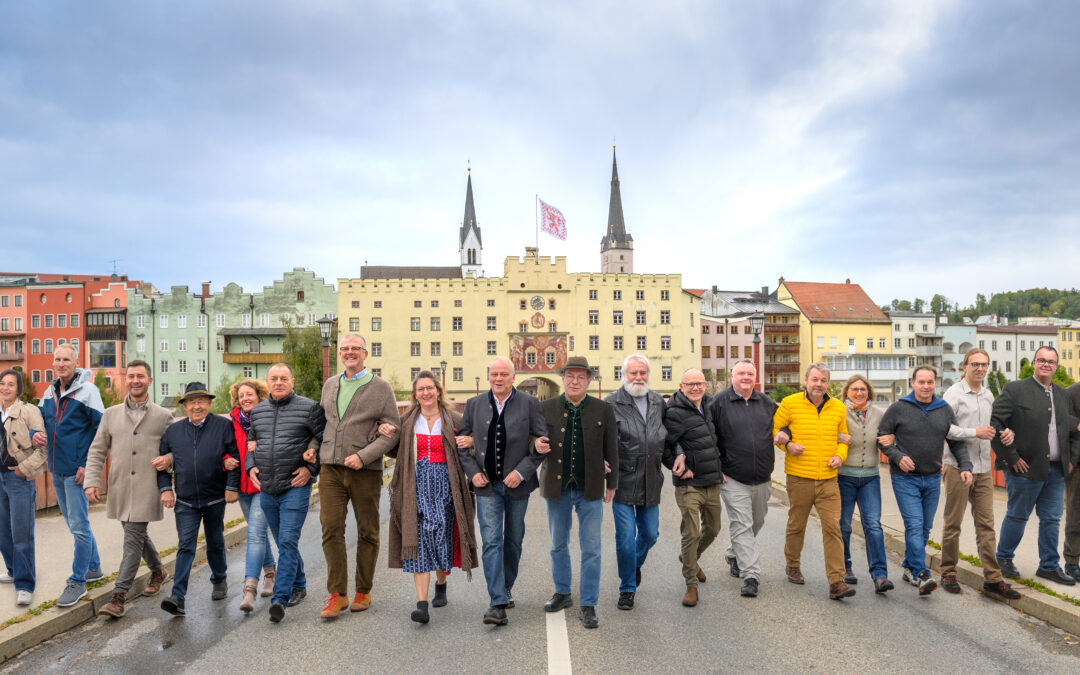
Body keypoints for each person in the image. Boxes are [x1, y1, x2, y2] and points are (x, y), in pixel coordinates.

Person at [455, 356, 547, 626]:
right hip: (487, 487)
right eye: (494, 374)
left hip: (517, 486)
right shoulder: (474, 405)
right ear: (488, 377)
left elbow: (542, 444)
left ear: (513, 377)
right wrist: (474, 473)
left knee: (513, 540)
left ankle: (507, 585)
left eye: (503, 374)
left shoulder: (530, 404)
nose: (498, 378)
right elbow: (462, 444)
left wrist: (521, 473)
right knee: (492, 540)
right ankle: (496, 602)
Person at [315, 333, 400, 619]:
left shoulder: (380, 388)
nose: (350, 353)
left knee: (368, 530)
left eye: (355, 349)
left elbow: (392, 430)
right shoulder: (330, 385)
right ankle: (337, 594)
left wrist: (363, 456)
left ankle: (363, 589)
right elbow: (322, 423)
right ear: (341, 354)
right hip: (330, 468)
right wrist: (313, 450)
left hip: (365, 471)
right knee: (330, 528)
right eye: (345, 349)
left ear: (365, 353)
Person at [84, 360, 173, 618]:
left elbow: (177, 449)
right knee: (136, 534)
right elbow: (98, 449)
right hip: (120, 487)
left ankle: (118, 597)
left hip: (148, 487)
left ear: (149, 381)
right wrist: (92, 481)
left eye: (140, 376)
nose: (135, 380)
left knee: (132, 540)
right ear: (126, 380)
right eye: (131, 376)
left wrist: (169, 460)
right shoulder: (110, 414)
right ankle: (158, 571)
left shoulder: (163, 416)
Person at [388, 371, 477, 625]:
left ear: (438, 391)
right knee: (419, 539)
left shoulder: (455, 418)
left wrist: (470, 440)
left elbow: (475, 443)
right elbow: (394, 449)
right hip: (414, 487)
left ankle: (441, 582)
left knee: (441, 536)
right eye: (420, 389)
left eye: (430, 388)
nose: (425, 393)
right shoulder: (406, 421)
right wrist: (384, 430)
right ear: (414, 395)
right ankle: (421, 604)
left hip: (447, 487)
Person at [535, 357, 617, 629]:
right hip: (556, 487)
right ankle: (562, 592)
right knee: (558, 544)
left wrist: (612, 483)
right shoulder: (545, 407)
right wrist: (535, 444)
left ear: (589, 380)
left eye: (581, 377)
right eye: (570, 376)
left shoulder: (603, 409)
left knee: (592, 548)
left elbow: (611, 449)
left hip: (590, 487)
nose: (575, 381)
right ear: (563, 378)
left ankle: (589, 603)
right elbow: (530, 439)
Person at [879, 366, 972, 596]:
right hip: (904, 479)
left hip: (932, 478)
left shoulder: (943, 409)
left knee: (924, 527)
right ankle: (922, 574)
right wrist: (898, 457)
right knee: (913, 524)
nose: (925, 386)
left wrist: (966, 466)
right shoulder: (898, 408)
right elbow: (881, 439)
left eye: (930, 382)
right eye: (921, 382)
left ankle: (910, 567)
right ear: (913, 383)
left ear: (935, 383)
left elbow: (956, 441)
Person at [992, 346, 1080, 586]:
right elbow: (995, 424)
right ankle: (1004, 558)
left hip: (1055, 469)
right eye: (1042, 360)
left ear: (1057, 367)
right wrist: (1011, 458)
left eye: (1051, 362)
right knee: (1018, 515)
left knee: (1051, 519)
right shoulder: (1015, 389)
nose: (1046, 365)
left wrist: (1069, 459)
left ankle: (1049, 566)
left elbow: (1067, 430)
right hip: (1024, 468)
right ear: (1034, 363)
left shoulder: (1063, 395)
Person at [939, 349, 1021, 599]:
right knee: (953, 523)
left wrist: (1006, 432)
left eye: (984, 365)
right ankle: (948, 572)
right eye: (975, 364)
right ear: (964, 366)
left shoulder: (988, 394)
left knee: (986, 525)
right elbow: (945, 429)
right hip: (957, 467)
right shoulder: (952, 394)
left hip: (984, 469)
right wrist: (974, 432)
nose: (980, 369)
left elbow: (993, 426)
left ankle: (993, 579)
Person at [248, 363, 325, 623]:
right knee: (283, 541)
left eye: (284, 378)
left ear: (292, 381)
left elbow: (323, 441)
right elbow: (251, 444)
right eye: (274, 379)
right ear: (267, 383)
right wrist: (250, 467)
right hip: (268, 488)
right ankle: (300, 584)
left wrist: (310, 469)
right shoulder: (257, 412)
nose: (278, 382)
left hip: (295, 486)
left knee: (288, 541)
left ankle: (280, 598)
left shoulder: (310, 407)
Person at [157, 382, 240, 616]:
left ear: (209, 403)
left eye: (201, 401)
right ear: (184, 406)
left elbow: (233, 456)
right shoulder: (173, 431)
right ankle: (178, 596)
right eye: (191, 402)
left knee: (215, 541)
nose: (197, 406)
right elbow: (162, 463)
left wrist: (232, 486)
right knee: (185, 546)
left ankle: (220, 579)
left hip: (215, 496)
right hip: (185, 500)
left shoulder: (223, 426)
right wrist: (165, 489)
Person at [773, 362, 854, 600]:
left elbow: (843, 438)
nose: (819, 384)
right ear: (806, 380)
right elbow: (775, 430)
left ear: (828, 383)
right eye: (815, 379)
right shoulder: (790, 403)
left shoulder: (838, 407)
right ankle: (793, 564)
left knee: (833, 528)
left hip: (829, 480)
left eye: (823, 380)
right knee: (797, 524)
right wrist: (787, 445)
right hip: (799, 478)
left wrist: (840, 456)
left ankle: (837, 581)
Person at [35, 344, 104, 608]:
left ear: (76, 362)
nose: (61, 363)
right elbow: (37, 421)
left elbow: (101, 431)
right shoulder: (49, 392)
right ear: (53, 363)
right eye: (57, 359)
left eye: (66, 359)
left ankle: (77, 581)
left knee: (79, 526)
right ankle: (94, 567)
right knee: (77, 524)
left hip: (77, 471)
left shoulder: (88, 391)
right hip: (56, 469)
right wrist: (33, 435)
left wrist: (88, 465)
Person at [709, 359, 778, 598]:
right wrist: (717, 468)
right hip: (733, 477)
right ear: (732, 376)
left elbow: (783, 428)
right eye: (741, 373)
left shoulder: (767, 403)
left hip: (762, 477)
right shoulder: (718, 403)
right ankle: (751, 575)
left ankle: (733, 553)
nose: (746, 377)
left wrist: (787, 434)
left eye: (750, 373)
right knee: (742, 524)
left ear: (755, 376)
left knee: (755, 523)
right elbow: (708, 438)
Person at [605, 354, 666, 610]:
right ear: (624, 375)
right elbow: (602, 439)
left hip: (651, 479)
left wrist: (681, 455)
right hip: (622, 480)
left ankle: (634, 563)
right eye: (633, 373)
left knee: (650, 534)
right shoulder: (611, 403)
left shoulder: (658, 402)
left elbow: (670, 434)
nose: (638, 377)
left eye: (643, 373)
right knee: (625, 537)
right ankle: (627, 588)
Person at [663, 368, 723, 608]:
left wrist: (722, 468)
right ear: (681, 386)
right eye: (690, 384)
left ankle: (689, 558)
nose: (696, 388)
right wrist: (678, 466)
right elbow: (665, 446)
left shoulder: (710, 405)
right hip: (688, 483)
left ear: (705, 385)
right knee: (692, 532)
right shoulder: (674, 412)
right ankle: (691, 584)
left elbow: (717, 438)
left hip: (712, 480)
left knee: (714, 528)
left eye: (699, 383)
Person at [835, 374, 893, 594]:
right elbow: (825, 434)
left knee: (873, 525)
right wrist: (837, 437)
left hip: (870, 477)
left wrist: (892, 439)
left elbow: (889, 435)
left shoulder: (878, 414)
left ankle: (880, 575)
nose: (859, 393)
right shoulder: (838, 412)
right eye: (854, 389)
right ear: (847, 392)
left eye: (863, 389)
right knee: (844, 525)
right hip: (844, 477)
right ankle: (845, 568)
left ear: (869, 392)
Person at [228, 378, 277, 613]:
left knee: (255, 534)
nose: (245, 399)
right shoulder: (232, 421)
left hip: (264, 485)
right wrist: (225, 460)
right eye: (241, 396)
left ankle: (249, 590)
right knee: (258, 532)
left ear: (259, 396)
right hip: (243, 487)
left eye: (250, 395)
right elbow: (225, 447)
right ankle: (271, 574)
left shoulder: (270, 416)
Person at [0, 368, 47, 607]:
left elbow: (43, 449)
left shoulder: (29, 412)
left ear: (18, 389)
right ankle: (12, 569)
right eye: (2, 383)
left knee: (21, 532)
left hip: (18, 479)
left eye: (10, 384)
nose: (5, 387)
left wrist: (22, 469)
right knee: (3, 532)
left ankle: (25, 584)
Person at [1066, 381, 1080, 582]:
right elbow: (1058, 419)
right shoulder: (1071, 393)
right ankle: (1071, 561)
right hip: (1077, 464)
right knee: (1075, 514)